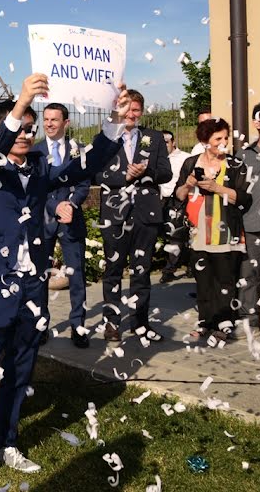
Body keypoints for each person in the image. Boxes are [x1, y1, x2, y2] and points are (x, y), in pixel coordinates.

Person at [0, 74, 129, 492]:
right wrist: (20, 104)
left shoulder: (37, 166)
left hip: (32, 287)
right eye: (20, 127)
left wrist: (112, 124)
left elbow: (80, 168)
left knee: (20, 369)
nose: (27, 134)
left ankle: (8, 443)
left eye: (31, 129)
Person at [94, 89, 172, 343]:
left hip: (145, 215)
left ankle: (140, 323)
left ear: (141, 112)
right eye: (126, 108)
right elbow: (96, 175)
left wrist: (146, 170)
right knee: (114, 271)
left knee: (142, 271)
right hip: (115, 215)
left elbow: (166, 173)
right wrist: (124, 177)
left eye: (135, 109)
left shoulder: (153, 138)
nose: (131, 113)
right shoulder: (105, 139)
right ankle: (112, 323)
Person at [174, 118, 251, 342]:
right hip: (198, 232)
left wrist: (217, 188)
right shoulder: (190, 163)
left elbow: (243, 198)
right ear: (204, 140)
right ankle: (205, 323)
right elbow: (178, 196)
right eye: (218, 138)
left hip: (227, 230)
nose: (224, 142)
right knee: (204, 280)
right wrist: (188, 184)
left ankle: (224, 324)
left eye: (226, 138)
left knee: (225, 280)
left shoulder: (235, 165)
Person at [34, 102, 92, 348]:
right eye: (45, 119)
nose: (48, 124)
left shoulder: (78, 149)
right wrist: (54, 206)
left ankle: (78, 325)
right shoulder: (35, 152)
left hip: (72, 221)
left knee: (76, 275)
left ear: (66, 123)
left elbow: (84, 183)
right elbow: (35, 189)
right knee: (40, 277)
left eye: (54, 119)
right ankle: (41, 325)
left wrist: (71, 204)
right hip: (44, 223)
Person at [239, 101, 260, 337]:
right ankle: (249, 319)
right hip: (252, 224)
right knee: (249, 274)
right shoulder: (244, 155)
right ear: (257, 122)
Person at [159, 130, 192, 283]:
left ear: (173, 142)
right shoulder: (156, 158)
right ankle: (187, 263)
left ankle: (169, 269)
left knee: (176, 234)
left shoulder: (185, 158)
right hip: (159, 199)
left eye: (166, 141)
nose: (164, 144)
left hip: (177, 200)